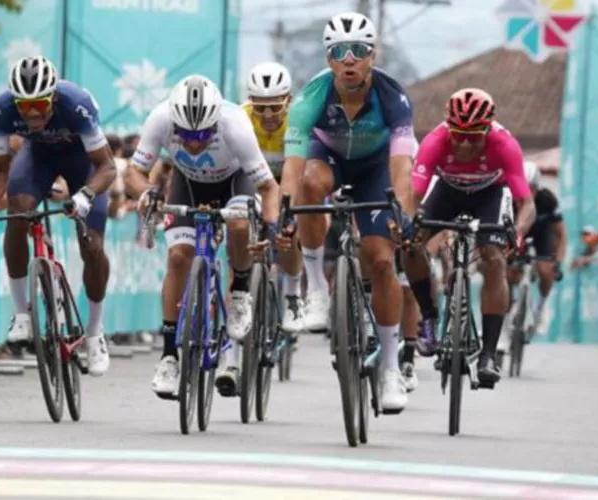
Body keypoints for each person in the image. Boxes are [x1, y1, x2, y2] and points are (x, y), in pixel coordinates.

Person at [278, 11, 417, 413]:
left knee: (381, 261)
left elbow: (402, 169)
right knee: (307, 185)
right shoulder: (310, 98)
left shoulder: (394, 97)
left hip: (376, 168)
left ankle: (391, 367)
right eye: (340, 51)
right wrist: (287, 212)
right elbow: (291, 165)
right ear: (329, 59)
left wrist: (402, 214)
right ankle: (317, 290)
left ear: (372, 55)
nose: (350, 58)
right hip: (330, 160)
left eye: (359, 50)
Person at [123, 75, 283, 399]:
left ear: (215, 123)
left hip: (235, 181)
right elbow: (133, 173)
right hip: (188, 183)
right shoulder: (161, 118)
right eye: (186, 135)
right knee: (178, 257)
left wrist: (270, 225)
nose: (194, 143)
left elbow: (269, 187)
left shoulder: (235, 124)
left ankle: (239, 290)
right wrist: (147, 193)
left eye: (202, 135)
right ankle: (169, 355)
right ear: (174, 124)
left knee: (239, 227)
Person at [0, 56, 117, 375]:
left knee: (92, 246)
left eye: (39, 103)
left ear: (54, 97)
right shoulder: (2, 109)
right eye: (24, 106)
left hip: (84, 162)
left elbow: (108, 167)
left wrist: (84, 196)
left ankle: (94, 332)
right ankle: (22, 313)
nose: (32, 112)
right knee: (20, 208)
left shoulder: (76, 105)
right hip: (38, 158)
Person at [402, 88, 536, 384]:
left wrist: (519, 231)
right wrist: (408, 227)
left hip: (490, 194)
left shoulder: (504, 144)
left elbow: (526, 204)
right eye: (457, 135)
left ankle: (488, 355)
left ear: (488, 130)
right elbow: (415, 195)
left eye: (474, 136)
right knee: (410, 247)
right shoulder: (434, 141)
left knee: (494, 259)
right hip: (447, 192)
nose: (463, 143)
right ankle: (428, 317)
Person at [243, 61, 305, 333]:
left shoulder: (298, 120)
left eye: (275, 106)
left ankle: (292, 292)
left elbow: (298, 171)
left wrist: (286, 212)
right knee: (241, 234)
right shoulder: (242, 118)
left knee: (291, 230)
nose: (267, 114)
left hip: (289, 178)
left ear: (288, 101)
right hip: (256, 181)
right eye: (260, 106)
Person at [500, 161, 565, 350]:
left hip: (541, 234)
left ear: (538, 187)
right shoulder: (506, 199)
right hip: (515, 233)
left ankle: (542, 305)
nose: (527, 193)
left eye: (532, 189)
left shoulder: (547, 200)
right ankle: (505, 321)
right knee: (506, 275)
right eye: (522, 188)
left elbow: (561, 235)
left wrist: (558, 262)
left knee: (546, 270)